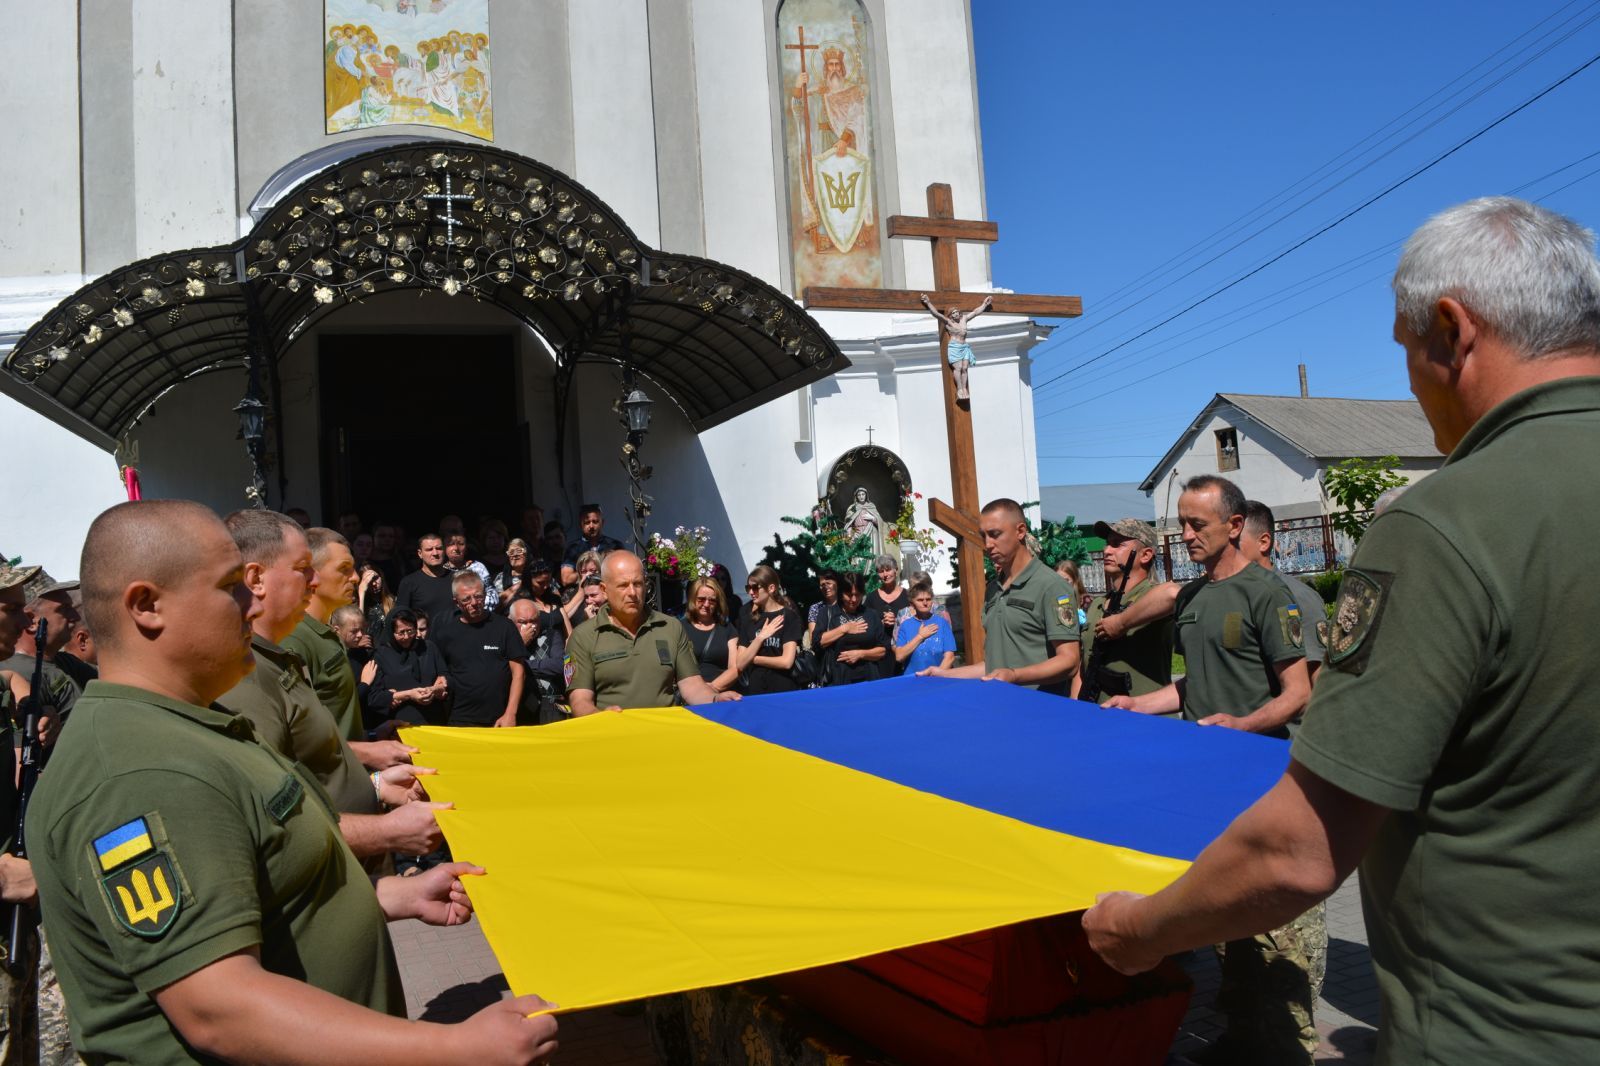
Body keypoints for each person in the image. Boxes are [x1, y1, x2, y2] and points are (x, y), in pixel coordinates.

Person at [1086, 196, 1600, 1065]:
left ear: (1450, 330)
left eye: (1406, 353)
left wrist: (1140, 929)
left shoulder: (1448, 525)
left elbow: (1301, 848)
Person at [27, 500, 560, 1063]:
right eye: (230, 586)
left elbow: (264, 882)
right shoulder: (139, 770)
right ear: (147, 605)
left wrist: (386, 895)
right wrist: (455, 1048)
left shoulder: (198, 726)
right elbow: (220, 1009)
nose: (249, 601)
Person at [1097, 476, 1317, 1063]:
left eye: (1199, 525)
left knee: (1278, 931)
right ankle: (1243, 1037)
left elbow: (1298, 691)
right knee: (1224, 916)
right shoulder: (1193, 598)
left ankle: (1286, 1047)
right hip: (1208, 783)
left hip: (1263, 779)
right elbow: (1195, 682)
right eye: (1182, 524)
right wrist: (1141, 705)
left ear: (1236, 525)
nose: (1186, 535)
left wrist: (1242, 725)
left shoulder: (1267, 594)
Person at [216, 511, 445, 870]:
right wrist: (384, 829)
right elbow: (278, 810)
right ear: (256, 578)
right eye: (303, 568)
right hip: (330, 851)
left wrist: (373, 777)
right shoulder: (247, 667)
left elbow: (310, 747)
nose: (312, 581)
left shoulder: (286, 651)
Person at [918, 498, 1080, 695]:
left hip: (1039, 711)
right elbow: (993, 668)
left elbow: (1069, 661)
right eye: (983, 536)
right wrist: (943, 674)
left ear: (1020, 531)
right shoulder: (994, 589)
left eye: (995, 534)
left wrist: (1014, 675)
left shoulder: (1052, 587)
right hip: (999, 707)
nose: (988, 544)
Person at [281, 530, 411, 770]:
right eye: (344, 569)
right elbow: (298, 739)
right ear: (311, 573)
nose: (355, 577)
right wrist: (364, 751)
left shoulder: (329, 634)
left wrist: (369, 736)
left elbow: (333, 719)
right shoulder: (294, 641)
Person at [566, 552, 738, 715]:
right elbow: (579, 701)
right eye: (623, 585)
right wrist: (600, 717)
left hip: (665, 735)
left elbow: (692, 685)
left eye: (638, 584)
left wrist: (715, 699)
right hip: (613, 737)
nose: (632, 593)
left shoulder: (670, 627)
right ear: (604, 589)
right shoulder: (583, 637)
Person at [1077, 519, 1172, 704]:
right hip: (1100, 717)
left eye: (1117, 544)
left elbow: (1172, 594)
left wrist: (1121, 622)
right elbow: (1082, 668)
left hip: (1147, 720)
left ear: (1145, 555)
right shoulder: (1097, 604)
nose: (1106, 550)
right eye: (1107, 544)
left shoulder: (1152, 597)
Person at [1240, 501, 1325, 683]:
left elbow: (1317, 677)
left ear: (1263, 542)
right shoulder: (1227, 594)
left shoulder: (1298, 596)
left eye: (1235, 541)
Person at [429, 572, 524, 728]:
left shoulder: (504, 626)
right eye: (466, 599)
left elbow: (518, 672)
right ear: (456, 602)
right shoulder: (444, 630)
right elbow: (435, 666)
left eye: (479, 596)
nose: (474, 602)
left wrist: (510, 714)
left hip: (500, 719)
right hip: (458, 717)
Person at [371, 608, 449, 727]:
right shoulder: (381, 655)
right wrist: (408, 695)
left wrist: (441, 683)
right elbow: (375, 697)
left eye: (410, 631)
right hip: (401, 724)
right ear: (391, 632)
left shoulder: (428, 647)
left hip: (434, 721)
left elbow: (445, 674)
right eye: (401, 633)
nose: (407, 637)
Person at [734, 565, 804, 695]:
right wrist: (760, 637)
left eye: (755, 587)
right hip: (756, 690)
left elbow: (786, 662)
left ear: (771, 588)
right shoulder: (748, 618)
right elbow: (739, 663)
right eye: (748, 588)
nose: (750, 592)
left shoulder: (788, 616)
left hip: (783, 689)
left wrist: (753, 658)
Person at [817, 572, 889, 685]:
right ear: (841, 593)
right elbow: (818, 642)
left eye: (858, 594)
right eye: (849, 594)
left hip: (869, 679)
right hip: (839, 679)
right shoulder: (827, 613)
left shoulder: (871, 614)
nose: (854, 599)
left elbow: (883, 650)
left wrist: (861, 654)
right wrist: (845, 628)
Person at [920, 292, 994, 400]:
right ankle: (959, 389)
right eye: (953, 313)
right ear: (950, 315)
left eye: (957, 312)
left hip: (964, 347)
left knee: (964, 368)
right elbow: (937, 314)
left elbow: (975, 312)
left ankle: (965, 388)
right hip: (955, 347)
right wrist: (928, 303)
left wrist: (985, 304)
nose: (955, 314)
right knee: (958, 368)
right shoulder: (949, 323)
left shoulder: (964, 320)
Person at [508, 599, 566, 725]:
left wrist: (523, 666)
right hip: (520, 705)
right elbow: (504, 669)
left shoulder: (551, 635)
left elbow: (560, 665)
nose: (530, 626)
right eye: (522, 622)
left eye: (533, 621)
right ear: (511, 621)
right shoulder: (506, 640)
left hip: (550, 704)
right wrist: (520, 644)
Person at [683, 577, 740, 694]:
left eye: (712, 600)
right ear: (693, 599)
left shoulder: (727, 629)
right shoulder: (680, 627)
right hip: (688, 694)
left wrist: (712, 688)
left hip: (721, 694)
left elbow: (734, 668)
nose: (707, 604)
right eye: (701, 599)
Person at [893, 577, 957, 675]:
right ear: (912, 603)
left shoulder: (941, 623)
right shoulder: (906, 625)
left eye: (928, 599)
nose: (925, 603)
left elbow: (950, 656)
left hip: (938, 679)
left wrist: (936, 676)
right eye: (920, 600)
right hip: (913, 679)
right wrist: (920, 637)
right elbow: (899, 656)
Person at [394, 533, 455, 627]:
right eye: (429, 549)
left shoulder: (456, 578)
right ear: (420, 553)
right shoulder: (409, 582)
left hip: (453, 637)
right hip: (424, 639)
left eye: (439, 548)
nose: (435, 553)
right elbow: (401, 618)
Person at [443, 533, 497, 612]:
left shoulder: (478, 567)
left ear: (466, 548)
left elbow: (492, 593)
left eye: (461, 544)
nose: (456, 548)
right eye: (450, 544)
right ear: (444, 548)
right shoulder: (441, 570)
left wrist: (476, 609)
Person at [562, 503, 625, 568]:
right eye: (587, 522)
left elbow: (623, 570)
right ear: (580, 525)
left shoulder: (615, 545)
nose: (591, 526)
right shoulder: (573, 548)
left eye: (595, 522)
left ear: (602, 523)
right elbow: (567, 577)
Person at [863, 555, 909, 643]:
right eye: (881, 571)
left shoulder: (907, 596)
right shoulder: (872, 597)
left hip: (903, 645)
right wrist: (881, 623)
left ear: (896, 569)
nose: (885, 575)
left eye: (888, 570)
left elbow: (915, 620)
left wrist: (897, 621)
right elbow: (865, 622)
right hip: (879, 647)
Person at [493, 538, 537, 614]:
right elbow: (495, 604)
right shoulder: (500, 577)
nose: (515, 555)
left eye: (519, 551)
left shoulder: (537, 573)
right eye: (511, 552)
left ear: (526, 553)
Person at [804, 570, 839, 650]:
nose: (825, 587)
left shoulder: (845, 606)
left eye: (828, 583)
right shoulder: (816, 608)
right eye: (822, 585)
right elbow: (814, 639)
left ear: (837, 584)